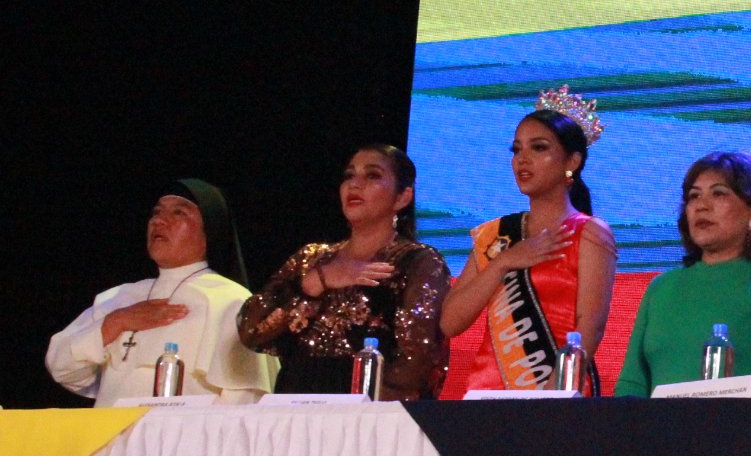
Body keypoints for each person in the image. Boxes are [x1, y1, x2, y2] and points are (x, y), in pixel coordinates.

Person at [238, 144, 451, 401]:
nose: (354, 184)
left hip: (369, 406)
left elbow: (418, 358)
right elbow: (251, 331)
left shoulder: (417, 261)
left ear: (402, 197)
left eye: (372, 175)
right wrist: (314, 284)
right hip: (295, 402)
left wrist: (366, 409)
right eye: (349, 175)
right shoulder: (311, 258)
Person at [441, 91, 618, 393]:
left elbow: (590, 327)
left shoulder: (589, 232)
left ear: (572, 161)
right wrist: (504, 262)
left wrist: (551, 395)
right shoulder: (496, 234)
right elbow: (449, 323)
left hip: (558, 391)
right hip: (488, 395)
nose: (522, 159)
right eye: (516, 149)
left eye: (539, 147)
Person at [46, 179, 278, 405]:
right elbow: (62, 369)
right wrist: (115, 323)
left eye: (179, 212)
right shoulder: (118, 298)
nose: (159, 221)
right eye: (156, 212)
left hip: (184, 432)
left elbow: (246, 401)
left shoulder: (230, 301)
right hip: (111, 432)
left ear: (210, 230)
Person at [614, 152, 751, 398]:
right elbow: (631, 384)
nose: (701, 206)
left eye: (718, 193)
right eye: (694, 196)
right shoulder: (661, 287)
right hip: (654, 423)